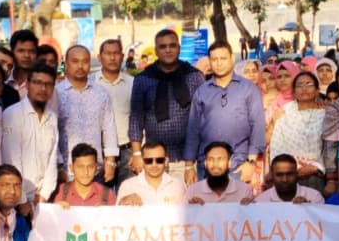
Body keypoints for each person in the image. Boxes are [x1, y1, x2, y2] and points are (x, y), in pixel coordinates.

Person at [184, 41, 265, 185]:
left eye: (223, 58)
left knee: (237, 200)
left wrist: (251, 162)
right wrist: (189, 166)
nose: (219, 63)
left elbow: (257, 126)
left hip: (238, 165)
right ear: (209, 61)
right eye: (214, 59)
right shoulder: (202, 91)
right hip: (207, 165)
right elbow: (193, 130)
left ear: (232, 59)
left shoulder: (249, 89)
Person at [128, 29, 204, 183]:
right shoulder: (143, 79)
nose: (168, 50)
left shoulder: (194, 76)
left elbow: (203, 118)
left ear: (179, 48)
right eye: (163, 47)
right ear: (156, 51)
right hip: (154, 159)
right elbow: (136, 120)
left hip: (189, 160)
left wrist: (192, 163)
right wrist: (136, 155)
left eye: (172, 45)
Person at [56, 45, 118, 184]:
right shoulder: (56, 94)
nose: (80, 66)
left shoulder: (101, 93)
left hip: (95, 170)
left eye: (85, 61)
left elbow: (109, 129)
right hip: (66, 171)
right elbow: (52, 134)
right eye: (75, 61)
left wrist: (111, 161)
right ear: (66, 64)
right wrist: (59, 168)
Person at [2, 63, 58, 214]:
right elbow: (11, 160)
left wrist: (45, 194)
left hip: (42, 198)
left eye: (48, 84)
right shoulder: (12, 114)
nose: (43, 88)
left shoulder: (52, 117)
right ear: (27, 84)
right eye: (37, 82)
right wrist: (21, 200)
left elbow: (52, 160)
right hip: (17, 198)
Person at [269, 71, 327, 192]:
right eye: (299, 85)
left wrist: (316, 167)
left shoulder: (325, 114)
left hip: (316, 173)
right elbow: (277, 143)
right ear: (294, 91)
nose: (304, 88)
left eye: (309, 84)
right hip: (287, 174)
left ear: (317, 90)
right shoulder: (285, 112)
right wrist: (290, 168)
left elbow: (329, 146)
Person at [93, 39, 134, 188]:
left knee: (128, 196)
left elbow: (140, 118)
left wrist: (138, 153)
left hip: (127, 151)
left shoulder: (133, 83)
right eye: (108, 53)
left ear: (122, 56)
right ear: (100, 57)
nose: (112, 57)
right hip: (99, 151)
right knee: (102, 197)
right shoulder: (91, 83)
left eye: (116, 53)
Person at [117, 141, 186, 206]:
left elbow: (187, 212)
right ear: (142, 161)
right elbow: (117, 213)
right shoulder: (127, 186)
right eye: (149, 161)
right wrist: (123, 202)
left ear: (166, 161)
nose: (154, 165)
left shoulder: (178, 185)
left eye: (159, 160)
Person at [184, 142, 254, 204]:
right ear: (205, 163)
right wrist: (193, 209)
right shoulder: (193, 191)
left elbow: (251, 214)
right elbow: (184, 213)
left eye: (220, 159)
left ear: (229, 163)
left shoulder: (245, 191)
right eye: (211, 159)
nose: (215, 164)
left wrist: (247, 207)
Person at [254, 154, 324, 203]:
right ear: (272, 176)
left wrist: (308, 208)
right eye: (279, 175)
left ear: (297, 174)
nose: (285, 179)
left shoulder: (314, 197)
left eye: (289, 174)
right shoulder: (261, 201)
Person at [5, 30, 38, 104]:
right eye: (21, 51)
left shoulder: (42, 85)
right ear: (12, 52)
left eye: (31, 51)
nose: (27, 55)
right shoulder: (4, 81)